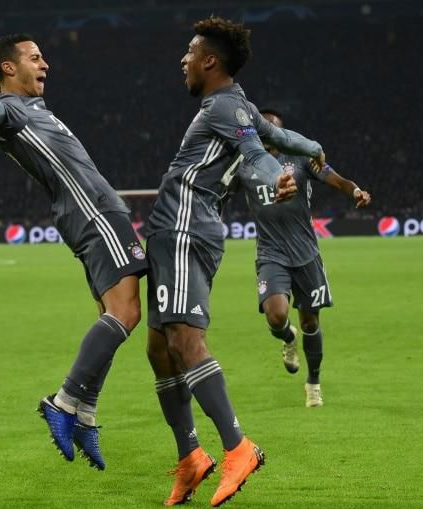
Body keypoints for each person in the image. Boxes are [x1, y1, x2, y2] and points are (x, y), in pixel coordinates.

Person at [145, 17, 325, 507]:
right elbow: (276, 138)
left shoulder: (224, 104)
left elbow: (257, 150)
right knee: (160, 350)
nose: (183, 60)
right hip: (173, 231)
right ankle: (190, 458)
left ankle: (237, 448)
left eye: (189, 51)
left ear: (210, 60)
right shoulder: (236, 103)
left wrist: (280, 176)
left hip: (184, 229)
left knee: (185, 340)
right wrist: (310, 151)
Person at [0, 34, 147, 470]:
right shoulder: (12, 112)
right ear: (8, 68)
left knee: (110, 316)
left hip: (90, 214)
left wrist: (0, 87)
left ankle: (85, 415)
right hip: (94, 213)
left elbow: (1, 103)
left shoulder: (31, 106)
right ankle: (65, 401)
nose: (46, 65)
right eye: (35, 58)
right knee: (126, 313)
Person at [236, 108, 371, 408]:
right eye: (264, 126)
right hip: (271, 252)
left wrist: (356, 191)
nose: (268, 132)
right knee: (276, 316)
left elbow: (337, 180)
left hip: (306, 253)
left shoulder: (299, 158)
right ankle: (287, 338)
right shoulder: (243, 165)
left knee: (310, 321)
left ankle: (313, 382)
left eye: (274, 128)